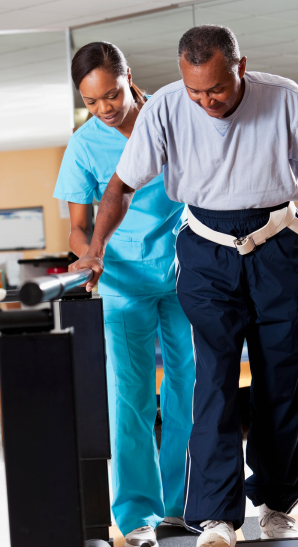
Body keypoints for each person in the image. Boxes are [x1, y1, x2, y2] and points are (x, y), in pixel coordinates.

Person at [71, 26, 298, 547]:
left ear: (240, 67)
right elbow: (120, 186)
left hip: (276, 246)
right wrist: (96, 247)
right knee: (214, 382)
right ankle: (215, 516)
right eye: (194, 90)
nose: (206, 102)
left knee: (279, 376)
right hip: (204, 251)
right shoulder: (166, 108)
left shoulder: (286, 99)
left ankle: (276, 502)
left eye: (216, 89)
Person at [53, 41, 195, 547]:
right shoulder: (83, 145)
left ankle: (186, 507)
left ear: (127, 76)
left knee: (190, 390)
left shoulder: (172, 116)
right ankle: (138, 517)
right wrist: (87, 255)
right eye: (92, 102)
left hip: (186, 273)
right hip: (122, 280)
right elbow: (78, 228)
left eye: (111, 94)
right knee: (129, 398)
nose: (105, 108)